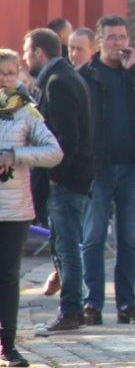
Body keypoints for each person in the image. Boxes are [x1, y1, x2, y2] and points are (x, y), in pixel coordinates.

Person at [79, 16, 135, 324]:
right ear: (100, 41)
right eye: (112, 38)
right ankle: (92, 304)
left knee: (129, 240)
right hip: (98, 170)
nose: (119, 44)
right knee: (92, 238)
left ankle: (127, 304)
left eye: (123, 37)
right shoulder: (86, 75)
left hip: (134, 168)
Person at [24, 29, 93, 333]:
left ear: (40, 52)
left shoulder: (59, 82)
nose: (25, 60)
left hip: (66, 180)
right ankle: (71, 308)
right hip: (68, 178)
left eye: (27, 53)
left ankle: (71, 311)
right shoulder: (63, 77)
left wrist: (54, 175)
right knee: (63, 245)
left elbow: (67, 138)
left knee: (67, 247)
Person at [0, 50, 63, 367]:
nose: (5, 79)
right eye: (0, 73)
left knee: (9, 276)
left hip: (15, 208)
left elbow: (54, 152)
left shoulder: (27, 112)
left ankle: (8, 344)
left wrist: (17, 154)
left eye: (11, 73)